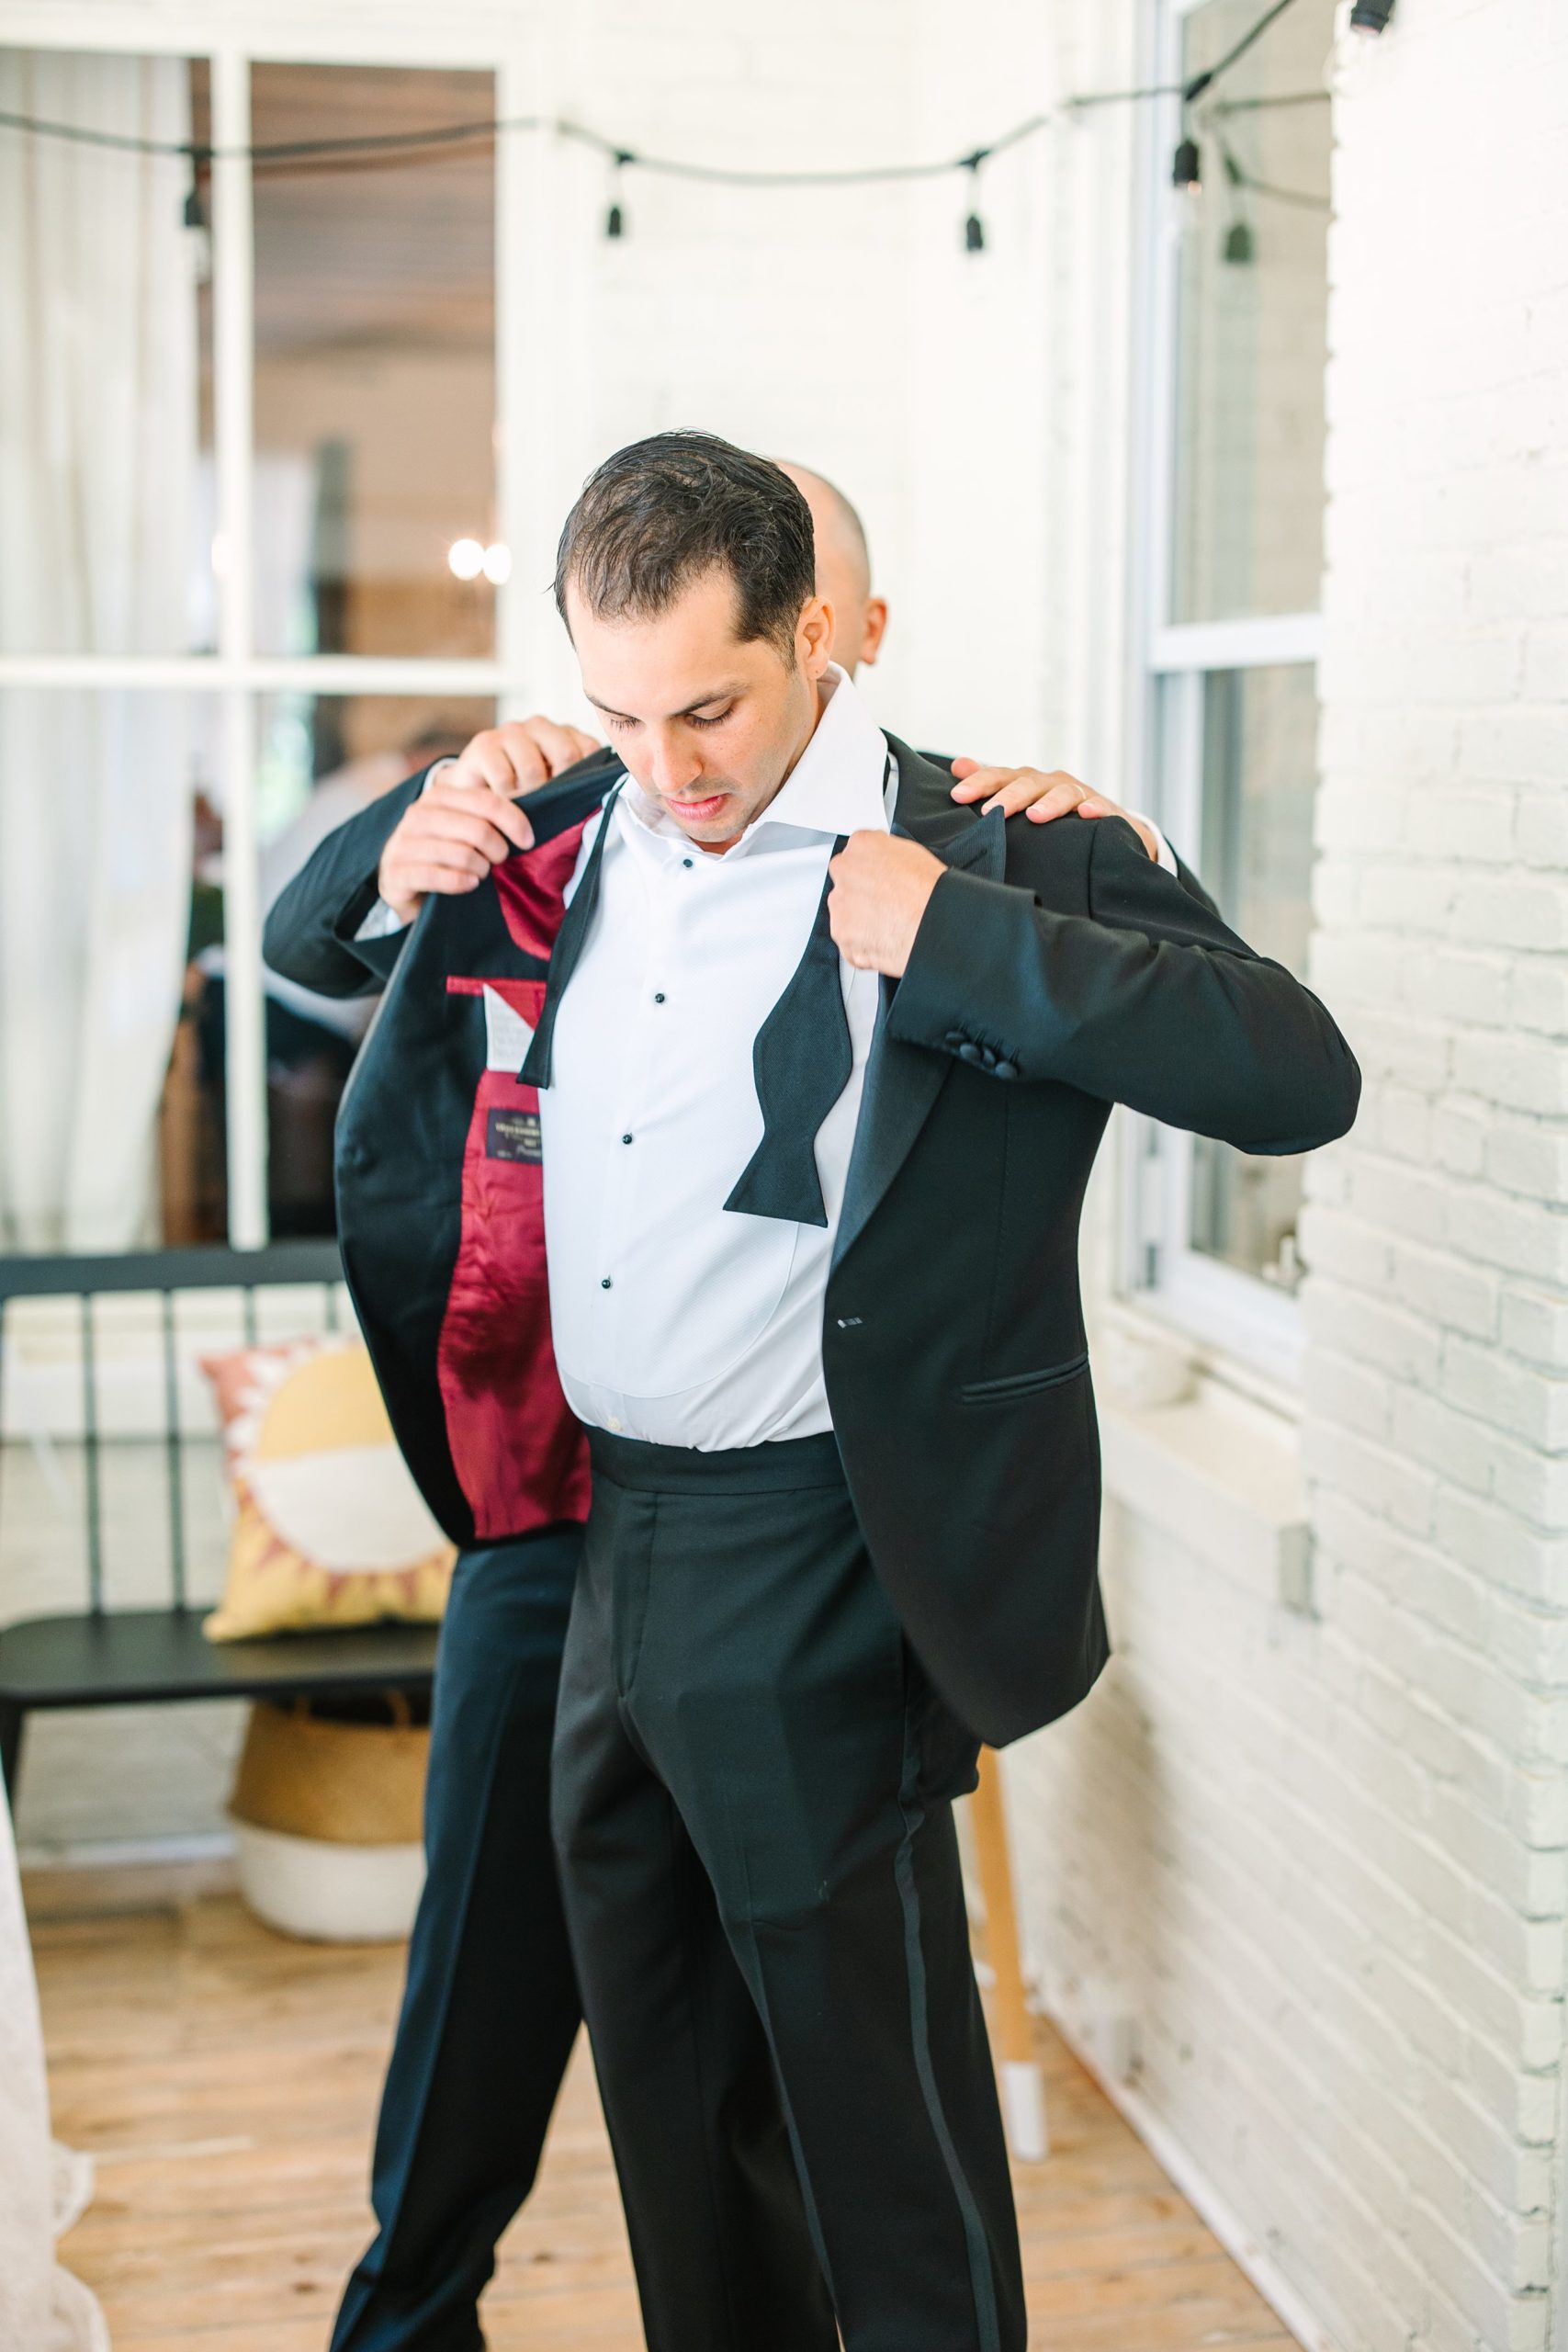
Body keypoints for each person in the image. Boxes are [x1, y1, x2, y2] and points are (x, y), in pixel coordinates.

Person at [265, 460, 1217, 2352]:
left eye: (706, 704)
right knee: (582, 2024)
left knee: (859, 2077)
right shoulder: (568, 818)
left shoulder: (995, 842)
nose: (669, 759)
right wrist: (413, 831)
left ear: (824, 636)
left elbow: (1276, 1064)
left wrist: (980, 923)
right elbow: (322, 946)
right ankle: (415, 2304)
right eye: (626, 711)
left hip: (807, 1528)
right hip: (564, 1504)